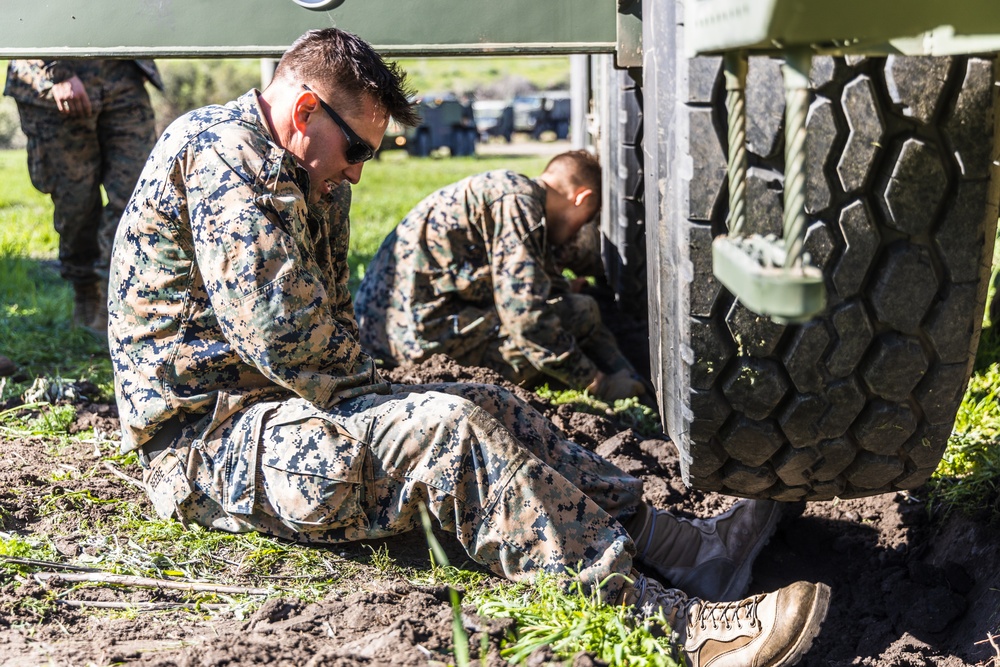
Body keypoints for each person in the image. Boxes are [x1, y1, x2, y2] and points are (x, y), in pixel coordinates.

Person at [108, 28, 829, 667]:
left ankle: (684, 549)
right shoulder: (224, 157)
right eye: (355, 148)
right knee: (449, 433)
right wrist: (402, 404)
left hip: (279, 405)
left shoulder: (303, 168)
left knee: (486, 402)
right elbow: (289, 339)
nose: (358, 169)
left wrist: (403, 395)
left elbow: (328, 331)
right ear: (303, 112)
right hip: (210, 446)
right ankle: (670, 626)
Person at [354, 152, 649, 403]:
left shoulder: (514, 194)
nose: (580, 229)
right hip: (412, 343)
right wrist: (597, 383)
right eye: (588, 218)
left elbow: (545, 287)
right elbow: (526, 317)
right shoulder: (518, 202)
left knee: (580, 310)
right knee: (575, 315)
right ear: (581, 198)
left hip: (393, 331)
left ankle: (630, 382)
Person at [4, 59, 161, 334]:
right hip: (53, 82)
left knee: (137, 196)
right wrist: (57, 71)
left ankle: (115, 304)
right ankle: (86, 293)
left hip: (121, 74)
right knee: (76, 201)